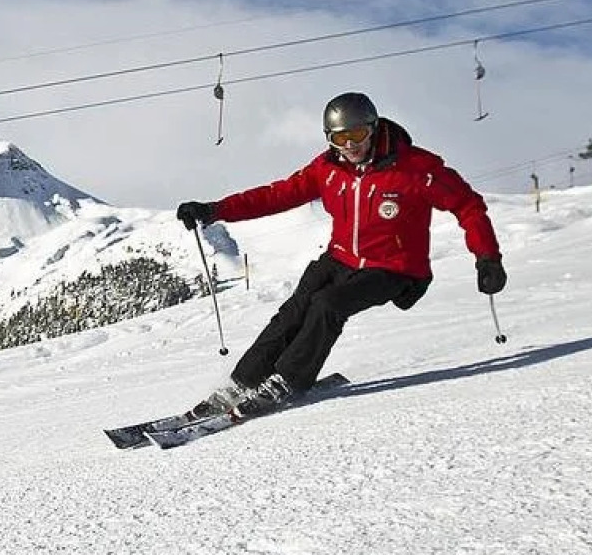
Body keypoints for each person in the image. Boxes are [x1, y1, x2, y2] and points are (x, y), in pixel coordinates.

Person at [176, 91, 506, 419]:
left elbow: (468, 205)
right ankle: (242, 381)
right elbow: (276, 195)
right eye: (339, 137)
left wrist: (487, 256)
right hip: (340, 258)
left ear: (373, 128)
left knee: (328, 305)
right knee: (295, 309)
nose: (350, 145)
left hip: (395, 268)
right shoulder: (328, 169)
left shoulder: (417, 168)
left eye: (358, 134)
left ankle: (289, 380)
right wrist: (215, 210)